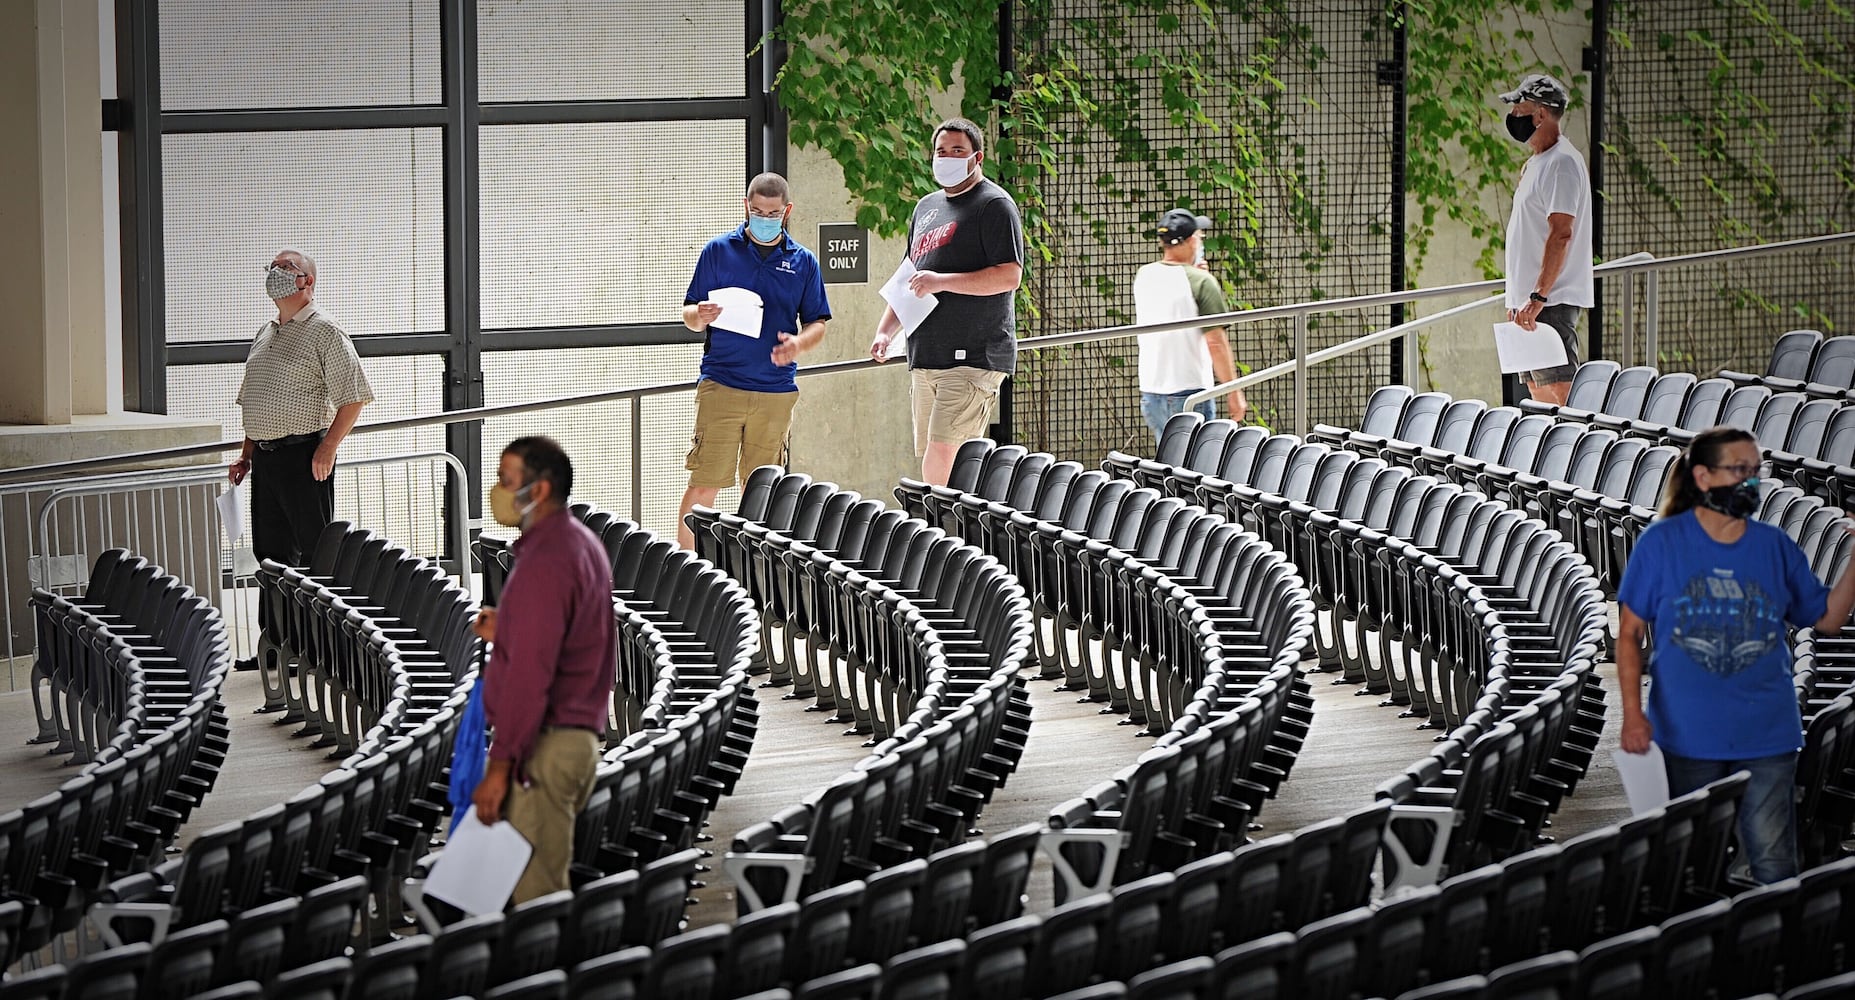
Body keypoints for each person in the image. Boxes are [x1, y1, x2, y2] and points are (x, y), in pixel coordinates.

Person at [1615, 426, 1855, 884]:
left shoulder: (1774, 546)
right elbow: (1628, 634)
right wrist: (1631, 714)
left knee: (1771, 864)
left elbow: (1827, 618)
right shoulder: (1661, 544)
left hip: (1766, 733)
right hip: (1686, 734)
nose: (1751, 482)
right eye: (1739, 470)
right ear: (1703, 477)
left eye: (1755, 471)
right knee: (1690, 868)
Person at [471, 436, 615, 904]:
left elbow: (530, 679)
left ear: (540, 490)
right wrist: (510, 629)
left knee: (537, 901)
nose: (497, 489)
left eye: (505, 480)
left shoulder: (546, 562)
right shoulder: (579, 543)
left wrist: (499, 767)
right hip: (569, 740)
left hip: (546, 749)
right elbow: (559, 640)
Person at [229, 250, 373, 671]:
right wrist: (246, 454)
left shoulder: (325, 331)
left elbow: (354, 395)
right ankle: (275, 648)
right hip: (267, 460)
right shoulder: (267, 331)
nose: (273, 274)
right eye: (269, 267)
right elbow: (255, 400)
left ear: (306, 281)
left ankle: (323, 650)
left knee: (313, 555)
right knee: (269, 555)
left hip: (304, 457)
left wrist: (327, 448)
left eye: (284, 268)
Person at [678, 172, 831, 550]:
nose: (764, 218)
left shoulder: (803, 262)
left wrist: (799, 344)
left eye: (773, 212)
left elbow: (818, 323)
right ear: (746, 207)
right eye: (757, 210)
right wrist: (700, 315)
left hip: (775, 391)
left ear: (787, 211)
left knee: (761, 492)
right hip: (721, 385)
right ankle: (685, 570)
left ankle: (756, 579)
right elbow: (689, 316)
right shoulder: (718, 251)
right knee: (704, 483)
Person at [870, 117, 1025, 486]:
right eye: (942, 151)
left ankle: (940, 538)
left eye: (958, 151)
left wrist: (943, 282)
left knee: (943, 459)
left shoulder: (995, 205)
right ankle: (954, 535)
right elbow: (911, 277)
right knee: (937, 458)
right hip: (926, 356)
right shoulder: (926, 207)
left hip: (973, 356)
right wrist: (885, 330)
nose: (948, 158)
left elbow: (1009, 275)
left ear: (977, 157)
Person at [1498, 73, 1594, 406]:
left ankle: (1584, 456)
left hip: (1548, 303)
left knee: (1563, 394)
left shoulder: (1563, 163)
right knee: (1539, 397)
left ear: (1539, 115)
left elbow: (1561, 232)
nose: (1513, 115)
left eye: (1518, 107)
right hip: (1529, 304)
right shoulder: (1538, 163)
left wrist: (1539, 295)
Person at [1132, 208, 1243, 443]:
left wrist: (1198, 274)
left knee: (1170, 469)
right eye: (1200, 237)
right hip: (1190, 391)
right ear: (1192, 240)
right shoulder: (1201, 282)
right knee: (1197, 469)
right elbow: (1216, 342)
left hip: (1152, 391)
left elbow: (1173, 299)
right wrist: (1234, 392)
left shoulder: (1144, 275)